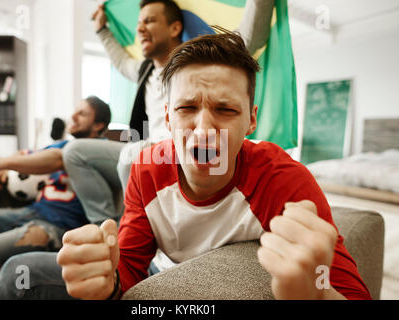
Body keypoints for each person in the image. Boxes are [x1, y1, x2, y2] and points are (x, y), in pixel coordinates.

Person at [55, 30, 372, 300]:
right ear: (168, 117)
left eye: (225, 110)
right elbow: (130, 268)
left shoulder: (282, 179)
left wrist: (318, 293)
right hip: (160, 270)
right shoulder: (146, 170)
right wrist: (106, 280)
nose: (204, 130)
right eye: (186, 108)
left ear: (251, 120)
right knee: (20, 268)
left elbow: (353, 291)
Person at [62, 0, 275, 266]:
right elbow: (120, 61)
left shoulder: (203, 64)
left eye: (149, 21)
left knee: (133, 155)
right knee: (75, 151)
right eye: (138, 23)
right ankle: (108, 232)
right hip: (147, 145)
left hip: (176, 150)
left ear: (175, 27)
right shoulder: (144, 71)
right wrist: (102, 31)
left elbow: (250, 36)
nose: (140, 28)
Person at [0, 96, 112, 300]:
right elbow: (29, 155)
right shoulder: (62, 143)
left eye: (82, 113)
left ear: (99, 125)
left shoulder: (100, 152)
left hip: (54, 227)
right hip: (29, 212)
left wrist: (0, 162)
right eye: (75, 111)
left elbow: (55, 159)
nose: (73, 116)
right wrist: (5, 170)